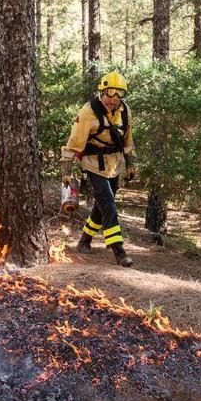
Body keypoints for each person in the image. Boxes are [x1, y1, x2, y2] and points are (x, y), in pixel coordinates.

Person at [60, 71, 136, 267]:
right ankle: (119, 251)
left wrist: (131, 164)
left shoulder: (125, 111)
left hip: (115, 164)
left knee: (101, 206)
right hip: (94, 163)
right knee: (108, 203)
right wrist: (66, 171)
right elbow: (73, 143)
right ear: (102, 91)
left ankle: (85, 239)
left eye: (118, 95)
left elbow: (128, 140)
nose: (113, 100)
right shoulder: (87, 113)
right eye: (109, 94)